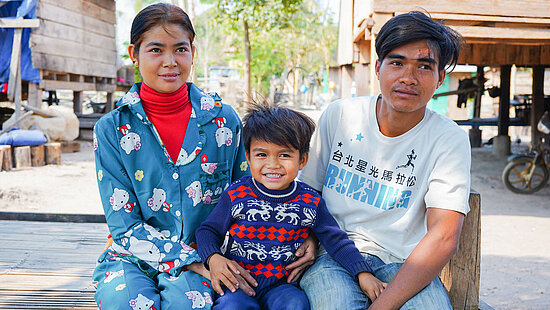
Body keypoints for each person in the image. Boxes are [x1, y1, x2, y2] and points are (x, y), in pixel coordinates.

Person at [298, 11, 471, 309]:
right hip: (334, 254)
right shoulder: (340, 115)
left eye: (424, 67)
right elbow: (308, 193)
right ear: (378, 67)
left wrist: (384, 304)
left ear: (440, 78)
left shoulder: (448, 138)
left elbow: (443, 236)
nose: (408, 77)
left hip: (404, 263)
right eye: (397, 62)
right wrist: (311, 240)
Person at [91, 4, 258, 309]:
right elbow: (124, 225)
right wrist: (191, 261)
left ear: (192, 51)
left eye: (180, 49)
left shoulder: (225, 121)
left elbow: (244, 198)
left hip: (207, 256)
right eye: (155, 50)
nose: (170, 62)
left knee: (190, 305)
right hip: (131, 256)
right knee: (125, 303)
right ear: (134, 53)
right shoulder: (112, 129)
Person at [195, 103, 386, 309]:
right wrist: (213, 258)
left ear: (302, 160)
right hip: (239, 283)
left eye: (284, 155)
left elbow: (337, 241)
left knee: (296, 304)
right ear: (248, 157)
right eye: (261, 155)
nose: (273, 164)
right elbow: (208, 230)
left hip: (281, 287)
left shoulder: (310, 201)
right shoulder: (237, 194)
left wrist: (363, 273)